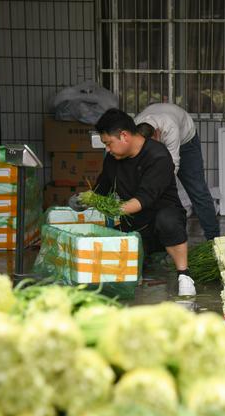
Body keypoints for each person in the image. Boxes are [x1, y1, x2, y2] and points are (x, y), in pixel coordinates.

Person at [70, 108, 195, 296]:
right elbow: (103, 187)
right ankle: (147, 257)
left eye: (108, 143)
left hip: (163, 215)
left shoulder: (158, 156)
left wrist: (114, 209)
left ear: (124, 136)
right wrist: (86, 199)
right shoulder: (114, 158)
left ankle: (184, 275)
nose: (107, 149)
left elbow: (144, 199)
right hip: (135, 222)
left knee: (167, 221)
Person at [134, 103, 220, 240]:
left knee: (197, 190)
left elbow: (172, 166)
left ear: (157, 133)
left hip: (186, 141)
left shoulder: (170, 127)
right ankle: (150, 240)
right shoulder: (135, 126)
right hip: (162, 125)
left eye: (151, 144)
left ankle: (214, 239)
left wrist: (158, 187)